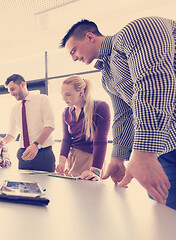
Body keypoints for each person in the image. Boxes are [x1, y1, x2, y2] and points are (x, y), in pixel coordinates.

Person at [60, 17, 176, 209]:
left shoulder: (137, 30)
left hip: (154, 148)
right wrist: (118, 157)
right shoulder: (107, 77)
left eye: (74, 51)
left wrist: (144, 153)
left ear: (89, 37)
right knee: (165, 210)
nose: (73, 58)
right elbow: (124, 115)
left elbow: (155, 83)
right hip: (164, 147)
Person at [0, 74, 56, 172]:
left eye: (12, 89)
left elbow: (50, 126)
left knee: (46, 186)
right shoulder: (15, 108)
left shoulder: (42, 99)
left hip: (43, 153)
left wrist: (36, 145)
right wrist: (4, 141)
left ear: (22, 85)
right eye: (9, 91)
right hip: (24, 154)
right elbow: (12, 133)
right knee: (23, 186)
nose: (11, 93)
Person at [56, 75, 110, 180]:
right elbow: (66, 139)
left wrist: (95, 171)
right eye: (62, 95)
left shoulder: (100, 107)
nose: (64, 98)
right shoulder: (66, 112)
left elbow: (100, 141)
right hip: (73, 159)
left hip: (92, 160)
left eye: (68, 95)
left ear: (81, 92)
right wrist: (61, 162)